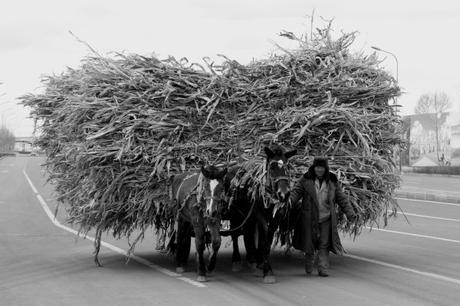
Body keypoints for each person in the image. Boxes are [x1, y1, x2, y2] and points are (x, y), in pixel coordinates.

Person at [289, 157, 356, 277]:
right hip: (309, 218)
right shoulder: (306, 179)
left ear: (326, 169)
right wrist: (287, 203)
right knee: (309, 243)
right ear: (314, 168)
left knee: (324, 244)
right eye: (317, 167)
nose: (319, 170)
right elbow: (296, 193)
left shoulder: (332, 181)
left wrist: (350, 213)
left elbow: (342, 199)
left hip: (326, 218)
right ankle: (309, 264)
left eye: (322, 167)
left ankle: (323, 268)